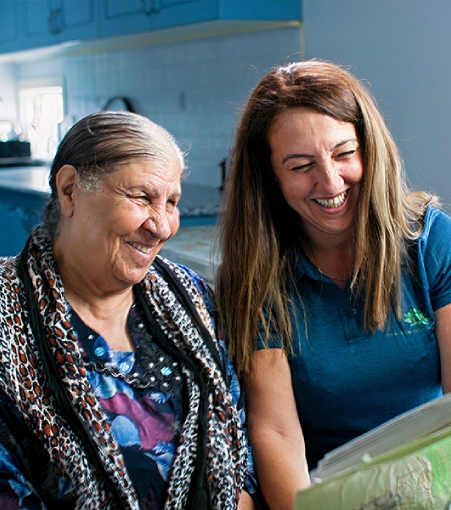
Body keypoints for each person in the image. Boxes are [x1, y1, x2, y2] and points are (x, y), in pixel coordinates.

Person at [215, 59, 451, 510]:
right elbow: (277, 432)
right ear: (271, 178)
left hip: (434, 480)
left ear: (370, 149)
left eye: (344, 154)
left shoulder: (431, 242)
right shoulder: (254, 278)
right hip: (326, 495)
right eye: (302, 165)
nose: (330, 181)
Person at [0, 110, 258, 509]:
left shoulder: (192, 300)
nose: (162, 226)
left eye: (171, 202)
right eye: (141, 197)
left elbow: (241, 455)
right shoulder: (8, 315)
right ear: (69, 191)